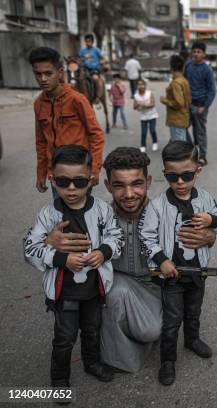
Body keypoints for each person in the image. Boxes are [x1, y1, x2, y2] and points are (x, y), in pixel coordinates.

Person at [45, 147, 217, 373]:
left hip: (157, 286)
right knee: (114, 294)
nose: (128, 194)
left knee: (153, 331)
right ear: (107, 186)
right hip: (115, 283)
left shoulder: (165, 212)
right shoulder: (96, 216)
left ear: (147, 181)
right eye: (119, 185)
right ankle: (117, 358)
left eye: (136, 184)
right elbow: (35, 242)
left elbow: (198, 238)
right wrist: (50, 241)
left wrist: (209, 237)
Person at [23, 144, 123, 388]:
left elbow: (116, 236)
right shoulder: (48, 215)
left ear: (91, 179)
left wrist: (103, 252)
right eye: (62, 181)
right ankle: (59, 379)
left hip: (94, 289)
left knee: (92, 330)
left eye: (79, 182)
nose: (70, 189)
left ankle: (92, 363)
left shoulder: (101, 210)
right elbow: (30, 249)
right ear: (52, 179)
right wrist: (61, 258)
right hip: (64, 292)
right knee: (64, 338)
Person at [139, 141, 217, 386]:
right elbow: (146, 237)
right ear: (165, 173)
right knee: (172, 320)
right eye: (172, 176)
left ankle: (192, 339)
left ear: (198, 170)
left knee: (194, 311)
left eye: (186, 175)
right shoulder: (157, 205)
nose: (179, 182)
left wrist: (212, 219)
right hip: (171, 276)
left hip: (198, 272)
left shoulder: (206, 199)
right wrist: (162, 261)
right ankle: (168, 360)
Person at [29, 47, 105, 195]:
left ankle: (98, 94)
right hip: (56, 175)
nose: (43, 79)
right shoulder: (38, 104)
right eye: (38, 74)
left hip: (79, 173)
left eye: (48, 73)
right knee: (61, 214)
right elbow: (41, 142)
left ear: (60, 73)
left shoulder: (77, 99)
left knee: (81, 215)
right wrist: (41, 173)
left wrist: (95, 169)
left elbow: (96, 135)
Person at [184, 41, 216, 166]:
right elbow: (184, 82)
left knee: (200, 131)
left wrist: (205, 106)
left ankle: (202, 156)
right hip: (188, 104)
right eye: (194, 51)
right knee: (183, 127)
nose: (196, 54)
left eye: (199, 52)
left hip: (200, 105)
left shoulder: (207, 70)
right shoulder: (188, 66)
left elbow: (212, 90)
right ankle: (191, 150)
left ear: (204, 54)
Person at [161, 55, 192, 142]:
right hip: (183, 117)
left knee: (178, 147)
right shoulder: (184, 81)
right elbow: (188, 100)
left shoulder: (175, 83)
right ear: (183, 67)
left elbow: (179, 103)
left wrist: (165, 100)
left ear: (171, 68)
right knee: (181, 144)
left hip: (176, 119)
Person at [134, 79, 159, 153]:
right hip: (143, 116)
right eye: (138, 84)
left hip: (152, 115)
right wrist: (137, 107)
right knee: (143, 132)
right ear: (136, 86)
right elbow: (134, 106)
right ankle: (143, 145)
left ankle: (155, 143)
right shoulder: (136, 95)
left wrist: (143, 105)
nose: (140, 86)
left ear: (145, 85)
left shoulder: (149, 93)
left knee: (152, 130)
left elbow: (153, 103)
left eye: (142, 84)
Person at [79, 34, 105, 103]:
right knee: (78, 79)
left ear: (92, 42)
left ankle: (97, 97)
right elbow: (80, 59)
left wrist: (100, 62)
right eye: (86, 41)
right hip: (85, 69)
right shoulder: (82, 51)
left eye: (89, 41)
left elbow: (103, 59)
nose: (88, 43)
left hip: (94, 69)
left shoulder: (97, 50)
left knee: (95, 78)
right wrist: (80, 62)